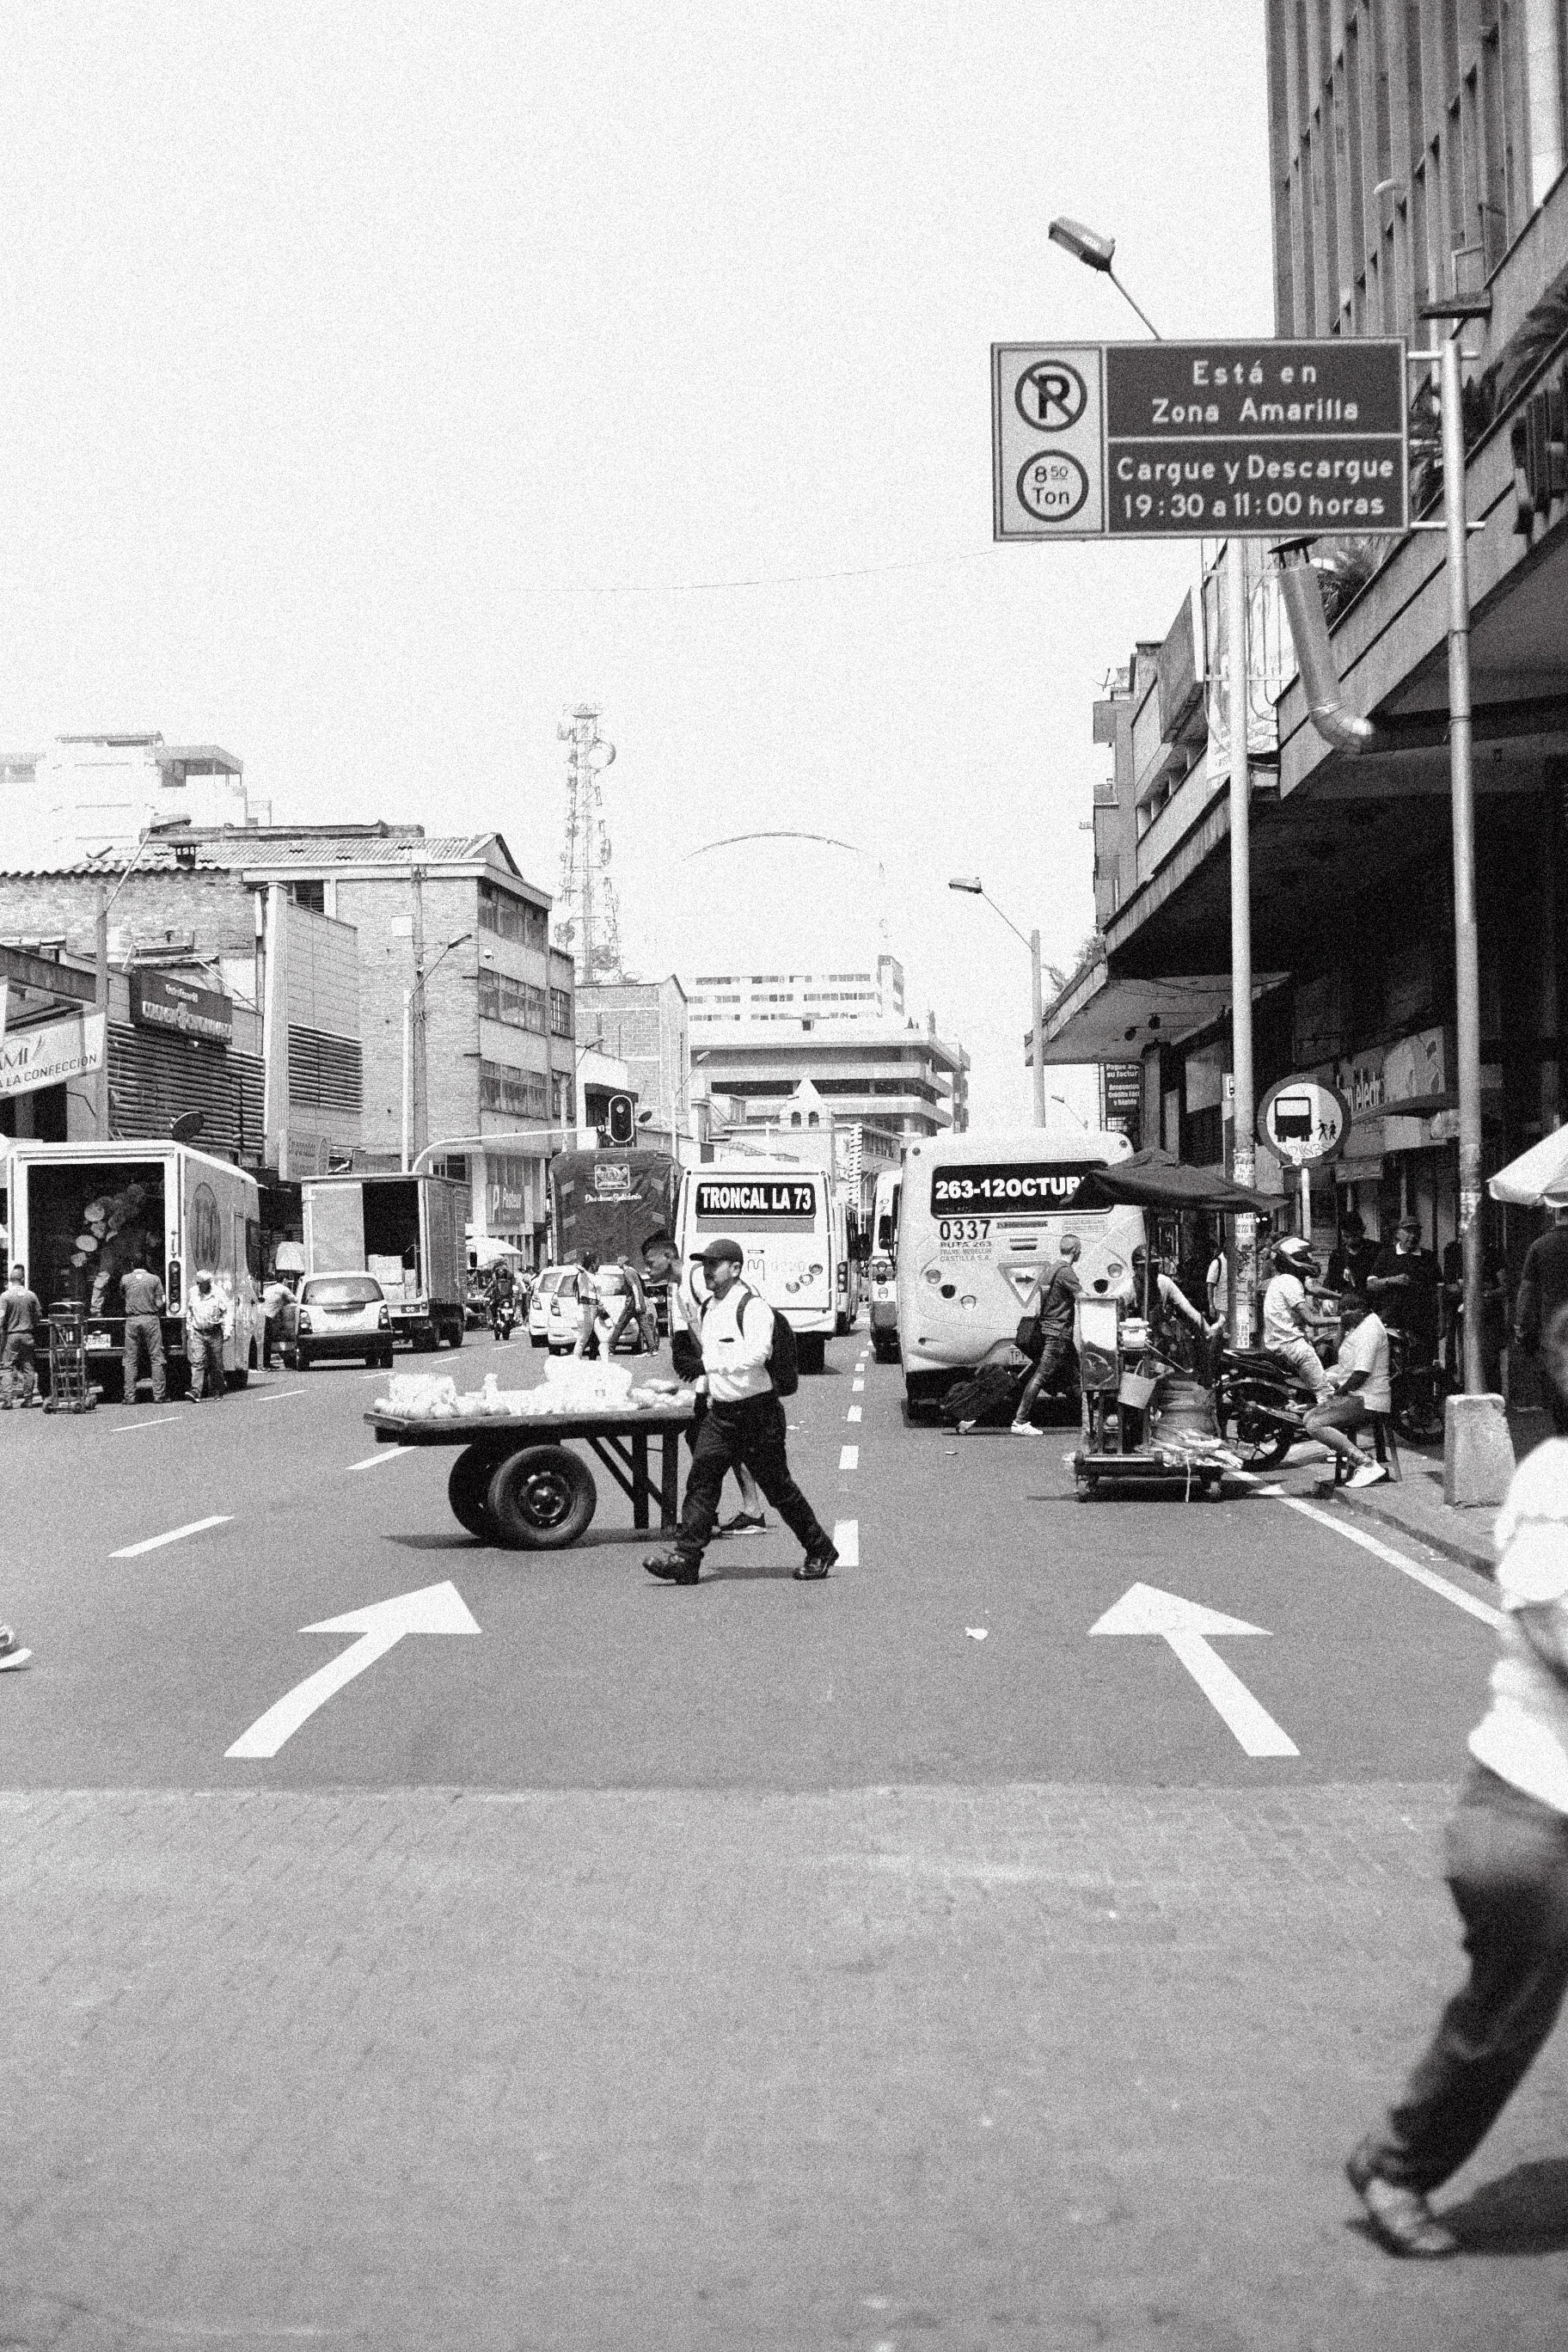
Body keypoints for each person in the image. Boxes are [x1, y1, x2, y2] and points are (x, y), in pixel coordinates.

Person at [1346, 1299, 1568, 2258]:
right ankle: (1398, 2165)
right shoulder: (1556, 1479)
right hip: (1533, 1811)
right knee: (1506, 2019)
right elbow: (1558, 1630)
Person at [643, 1236, 837, 1585]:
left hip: (758, 1416)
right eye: (703, 1265)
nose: (707, 1273)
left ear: (735, 1269)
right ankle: (686, 1558)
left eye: (714, 1265)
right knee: (701, 1482)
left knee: (778, 1490)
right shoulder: (709, 1308)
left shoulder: (752, 1307)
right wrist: (703, 1390)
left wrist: (707, 1365)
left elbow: (757, 1354)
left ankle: (820, 1548)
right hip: (722, 1415)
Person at [641, 1229, 767, 1535]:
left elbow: (724, 1330)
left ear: (669, 1257)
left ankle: (730, 1512)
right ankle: (729, 1511)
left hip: (729, 1381)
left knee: (716, 1445)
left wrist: (708, 1376)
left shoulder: (697, 1279)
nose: (647, 1269)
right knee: (708, 1443)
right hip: (714, 1379)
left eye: (650, 1261)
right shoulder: (681, 1289)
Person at [1302, 1293, 1391, 1487]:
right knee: (1308, 1417)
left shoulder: (1370, 1330)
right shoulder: (1358, 1328)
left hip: (1368, 1399)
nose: (1342, 1316)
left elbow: (1361, 1373)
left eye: (1345, 1312)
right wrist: (1342, 1327)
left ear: (1360, 1311)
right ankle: (1362, 1459)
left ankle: (1366, 1463)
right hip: (1357, 1396)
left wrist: (1338, 1395)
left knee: (1315, 1424)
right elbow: (1339, 1352)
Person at [1009, 1234, 1082, 1436]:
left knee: (1077, 1376)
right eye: (1080, 1250)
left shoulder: (1049, 1270)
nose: (1080, 1253)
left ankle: (1090, 1420)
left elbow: (1041, 1303)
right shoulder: (1066, 1272)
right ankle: (1020, 1421)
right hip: (1058, 1333)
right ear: (1075, 1250)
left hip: (1051, 1331)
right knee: (1040, 1376)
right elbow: (1082, 1299)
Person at [1515, 1200, 1568, 1433]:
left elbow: (1527, 1292)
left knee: (1559, 1392)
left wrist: (1523, 1328)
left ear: (1556, 1212)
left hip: (1556, 1331)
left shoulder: (1540, 1246)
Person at [1261, 1235, 1332, 1400]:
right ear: (1292, 1260)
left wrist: (1342, 1296)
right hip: (1294, 1346)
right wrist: (1342, 1319)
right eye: (1304, 1258)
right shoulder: (1290, 1282)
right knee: (1326, 1394)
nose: (1309, 1261)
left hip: (1278, 1343)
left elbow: (1315, 1290)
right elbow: (1311, 1320)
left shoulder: (1283, 1280)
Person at [1368, 1215, 1440, 1361]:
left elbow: (1439, 1289)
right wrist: (1391, 1280)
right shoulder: (1386, 1256)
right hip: (1393, 1321)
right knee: (1396, 1366)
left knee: (1423, 1366)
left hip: (1423, 1323)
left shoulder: (1428, 1257)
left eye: (1416, 1232)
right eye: (1408, 1231)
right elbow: (1371, 1284)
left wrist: (1442, 1320)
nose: (1412, 1236)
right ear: (1398, 1233)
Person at [120, 1253, 167, 1404]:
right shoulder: (154, 1279)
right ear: (146, 1264)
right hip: (150, 1319)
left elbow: (122, 1295)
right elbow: (160, 1303)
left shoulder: (125, 1279)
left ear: (132, 1265)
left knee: (130, 1359)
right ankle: (159, 1395)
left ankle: (129, 1396)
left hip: (132, 1321)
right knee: (156, 1358)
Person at [0, 1264, 43, 1410]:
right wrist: (32, 1324)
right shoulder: (31, 1295)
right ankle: (28, 1399)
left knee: (7, 1367)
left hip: (11, 1336)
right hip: (27, 1335)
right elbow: (38, 1315)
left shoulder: (5, 1296)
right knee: (28, 1367)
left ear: (11, 1280)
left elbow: (1, 1317)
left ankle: (7, 1399)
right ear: (23, 1278)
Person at [184, 1269, 230, 1402]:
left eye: (201, 1283)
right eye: (197, 1283)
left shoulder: (218, 1293)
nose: (199, 1286)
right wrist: (190, 1330)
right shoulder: (193, 1292)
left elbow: (227, 1312)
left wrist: (227, 1331)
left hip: (214, 1332)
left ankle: (218, 1390)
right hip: (198, 1332)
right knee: (197, 1362)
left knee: (216, 1364)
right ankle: (196, 1391)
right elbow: (190, 1312)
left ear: (208, 1283)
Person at [1325, 1207, 1381, 1299]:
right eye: (1346, 1236)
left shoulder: (1376, 1250)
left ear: (1362, 1231)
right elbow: (1330, 1281)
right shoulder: (1337, 1255)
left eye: (1354, 1236)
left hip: (1372, 1302)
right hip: (1347, 1304)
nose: (1350, 1240)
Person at [569, 1249, 602, 1359]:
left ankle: (596, 1361)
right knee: (583, 1339)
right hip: (586, 1311)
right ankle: (575, 1361)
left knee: (601, 1337)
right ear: (592, 1264)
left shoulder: (594, 1276)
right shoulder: (582, 1276)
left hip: (596, 1310)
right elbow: (583, 1274)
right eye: (597, 1263)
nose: (599, 1265)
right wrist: (583, 1270)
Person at [261, 1271, 292, 1369]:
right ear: (284, 1280)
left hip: (262, 1315)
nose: (287, 1282)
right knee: (267, 1341)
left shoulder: (269, 1288)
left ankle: (265, 1363)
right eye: (287, 1280)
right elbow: (295, 1299)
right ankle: (266, 1364)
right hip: (268, 1317)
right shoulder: (283, 1289)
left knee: (266, 1341)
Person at [489, 1259, 517, 1338]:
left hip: (504, 1298)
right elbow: (491, 1287)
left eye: (502, 1270)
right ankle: (495, 1320)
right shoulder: (496, 1278)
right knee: (492, 1306)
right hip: (504, 1298)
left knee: (493, 1306)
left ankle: (496, 1320)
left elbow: (490, 1287)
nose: (501, 1272)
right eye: (500, 1270)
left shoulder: (508, 1277)